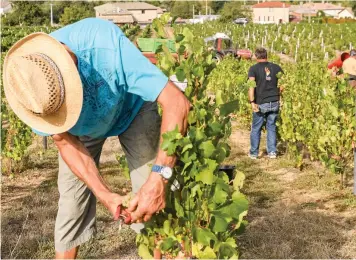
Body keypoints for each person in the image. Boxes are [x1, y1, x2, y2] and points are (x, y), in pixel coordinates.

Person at [2, 18, 190, 259]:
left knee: (150, 190)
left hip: (133, 109)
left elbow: (177, 103)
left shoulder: (105, 46)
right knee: (71, 204)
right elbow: (64, 141)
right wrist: (105, 195)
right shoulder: (33, 92)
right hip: (82, 128)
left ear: (72, 65)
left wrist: (159, 178)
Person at [247, 47, 283, 159]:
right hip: (274, 101)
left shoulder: (253, 69)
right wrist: (279, 97)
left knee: (256, 128)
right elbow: (282, 85)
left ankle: (254, 153)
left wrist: (252, 101)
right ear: (266, 55)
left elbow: (251, 86)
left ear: (256, 56)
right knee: (271, 127)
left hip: (261, 103)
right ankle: (272, 152)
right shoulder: (276, 68)